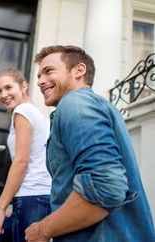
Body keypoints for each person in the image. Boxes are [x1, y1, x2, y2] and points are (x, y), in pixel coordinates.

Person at [25, 45, 155, 242]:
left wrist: (43, 229)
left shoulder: (76, 104)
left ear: (79, 70)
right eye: (38, 76)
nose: (40, 81)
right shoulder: (92, 105)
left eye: (48, 71)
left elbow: (105, 187)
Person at [0, 68, 52, 242]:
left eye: (8, 88)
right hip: (35, 198)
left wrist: (0, 209)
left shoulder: (22, 112)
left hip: (32, 197)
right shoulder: (36, 112)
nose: (3, 94)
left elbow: (21, 162)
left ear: (23, 86)